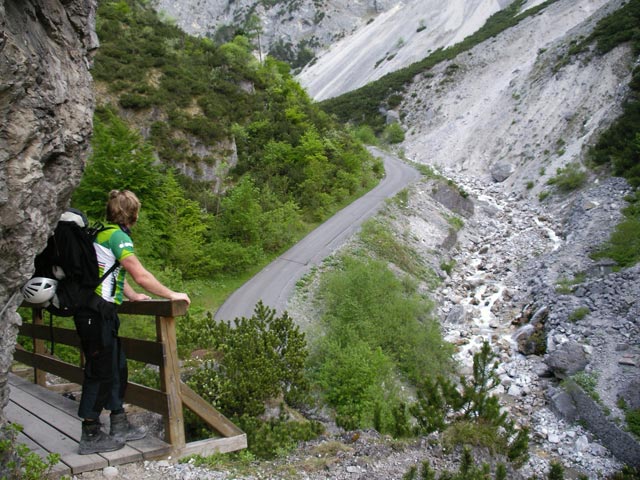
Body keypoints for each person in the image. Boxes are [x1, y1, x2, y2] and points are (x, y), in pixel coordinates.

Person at [76, 189, 191, 455]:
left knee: (117, 366)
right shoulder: (117, 236)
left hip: (101, 314)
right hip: (95, 314)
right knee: (99, 370)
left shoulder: (101, 233)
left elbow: (111, 272)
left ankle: (119, 423)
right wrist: (172, 294)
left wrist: (130, 295)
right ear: (132, 214)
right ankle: (90, 433)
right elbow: (139, 274)